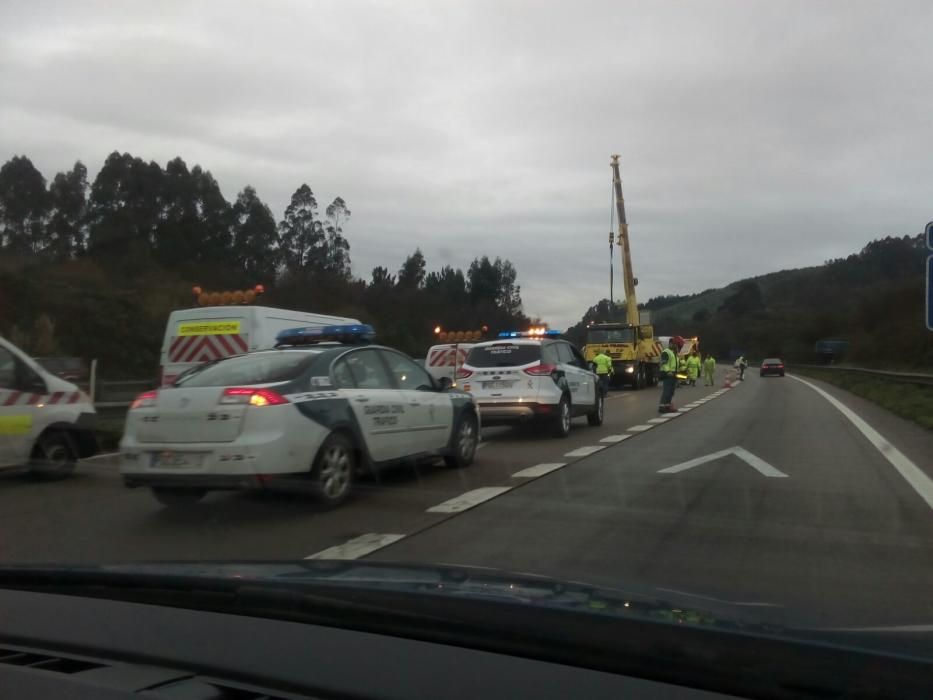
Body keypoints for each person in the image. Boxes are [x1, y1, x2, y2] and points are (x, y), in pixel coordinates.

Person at [658, 336, 684, 413]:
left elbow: (675, 364)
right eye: (676, 345)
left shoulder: (674, 353)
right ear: (671, 344)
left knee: (671, 391)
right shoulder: (666, 352)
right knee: (667, 391)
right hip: (668, 374)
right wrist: (668, 371)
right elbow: (664, 363)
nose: (677, 347)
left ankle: (667, 406)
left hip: (673, 374)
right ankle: (662, 407)